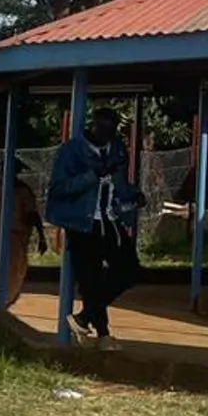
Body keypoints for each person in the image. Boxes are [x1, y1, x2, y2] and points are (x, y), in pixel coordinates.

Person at [47, 106, 145, 350]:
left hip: (111, 220)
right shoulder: (72, 151)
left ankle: (84, 317)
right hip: (83, 224)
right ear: (93, 126)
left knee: (129, 270)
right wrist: (91, 175)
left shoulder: (117, 150)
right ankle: (103, 335)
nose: (107, 135)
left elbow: (120, 183)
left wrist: (133, 196)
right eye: (102, 129)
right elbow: (59, 188)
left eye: (111, 131)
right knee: (90, 280)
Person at [0, 163, 47, 307]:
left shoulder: (22, 191)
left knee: (13, 268)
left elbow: (33, 214)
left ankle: (8, 297)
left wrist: (41, 236)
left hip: (15, 236)